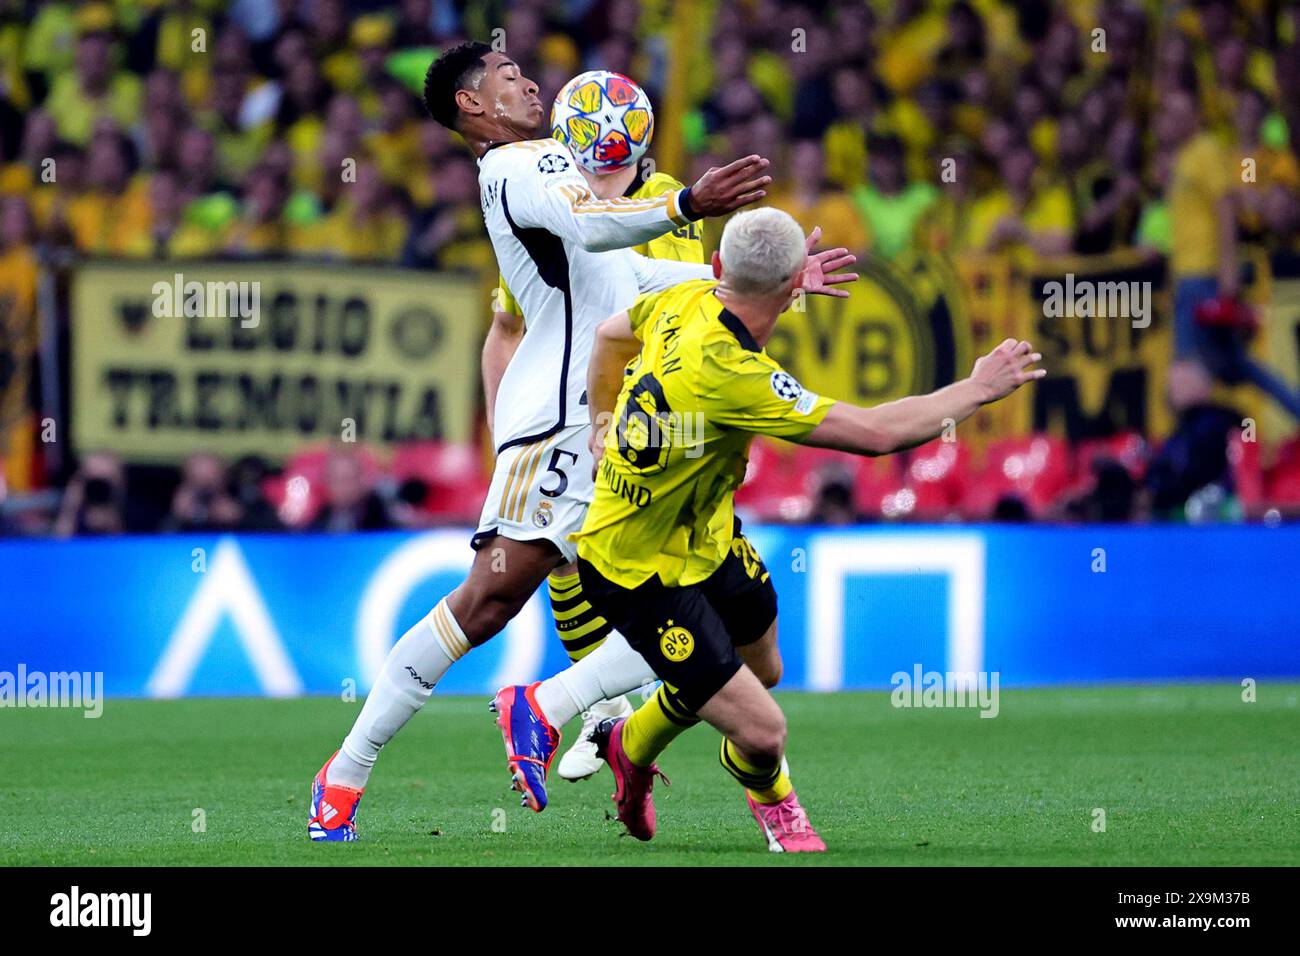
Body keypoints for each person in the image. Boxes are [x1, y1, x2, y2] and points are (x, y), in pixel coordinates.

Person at [306, 42, 854, 842]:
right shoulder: (516, 165)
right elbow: (598, 233)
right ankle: (351, 773)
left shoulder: (547, 166)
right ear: (471, 106)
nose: (527, 79)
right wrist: (689, 203)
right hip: (563, 429)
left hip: (604, 433)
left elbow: (628, 278)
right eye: (504, 76)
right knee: (486, 605)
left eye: (525, 71)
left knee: (687, 609)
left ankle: (552, 711)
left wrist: (766, 279)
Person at [546, 208, 1041, 851]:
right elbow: (875, 434)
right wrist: (976, 388)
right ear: (789, 289)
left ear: (719, 268)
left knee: (763, 666)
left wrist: (602, 420)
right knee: (763, 731)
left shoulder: (684, 295)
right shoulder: (735, 376)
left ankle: (626, 742)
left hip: (706, 534)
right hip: (637, 567)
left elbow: (611, 337)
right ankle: (773, 799)